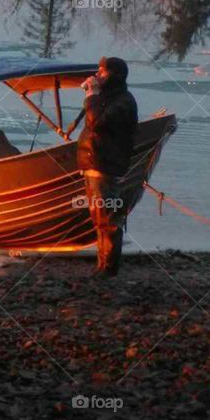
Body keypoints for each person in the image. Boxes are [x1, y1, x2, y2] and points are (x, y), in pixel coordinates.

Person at [77, 57, 138, 277]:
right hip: (93, 164)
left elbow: (95, 123)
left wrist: (91, 95)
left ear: (116, 76)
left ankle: (109, 268)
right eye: (98, 71)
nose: (98, 76)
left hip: (105, 166)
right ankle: (102, 264)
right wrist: (93, 95)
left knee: (108, 218)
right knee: (98, 218)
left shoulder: (123, 101)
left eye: (103, 72)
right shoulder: (106, 98)